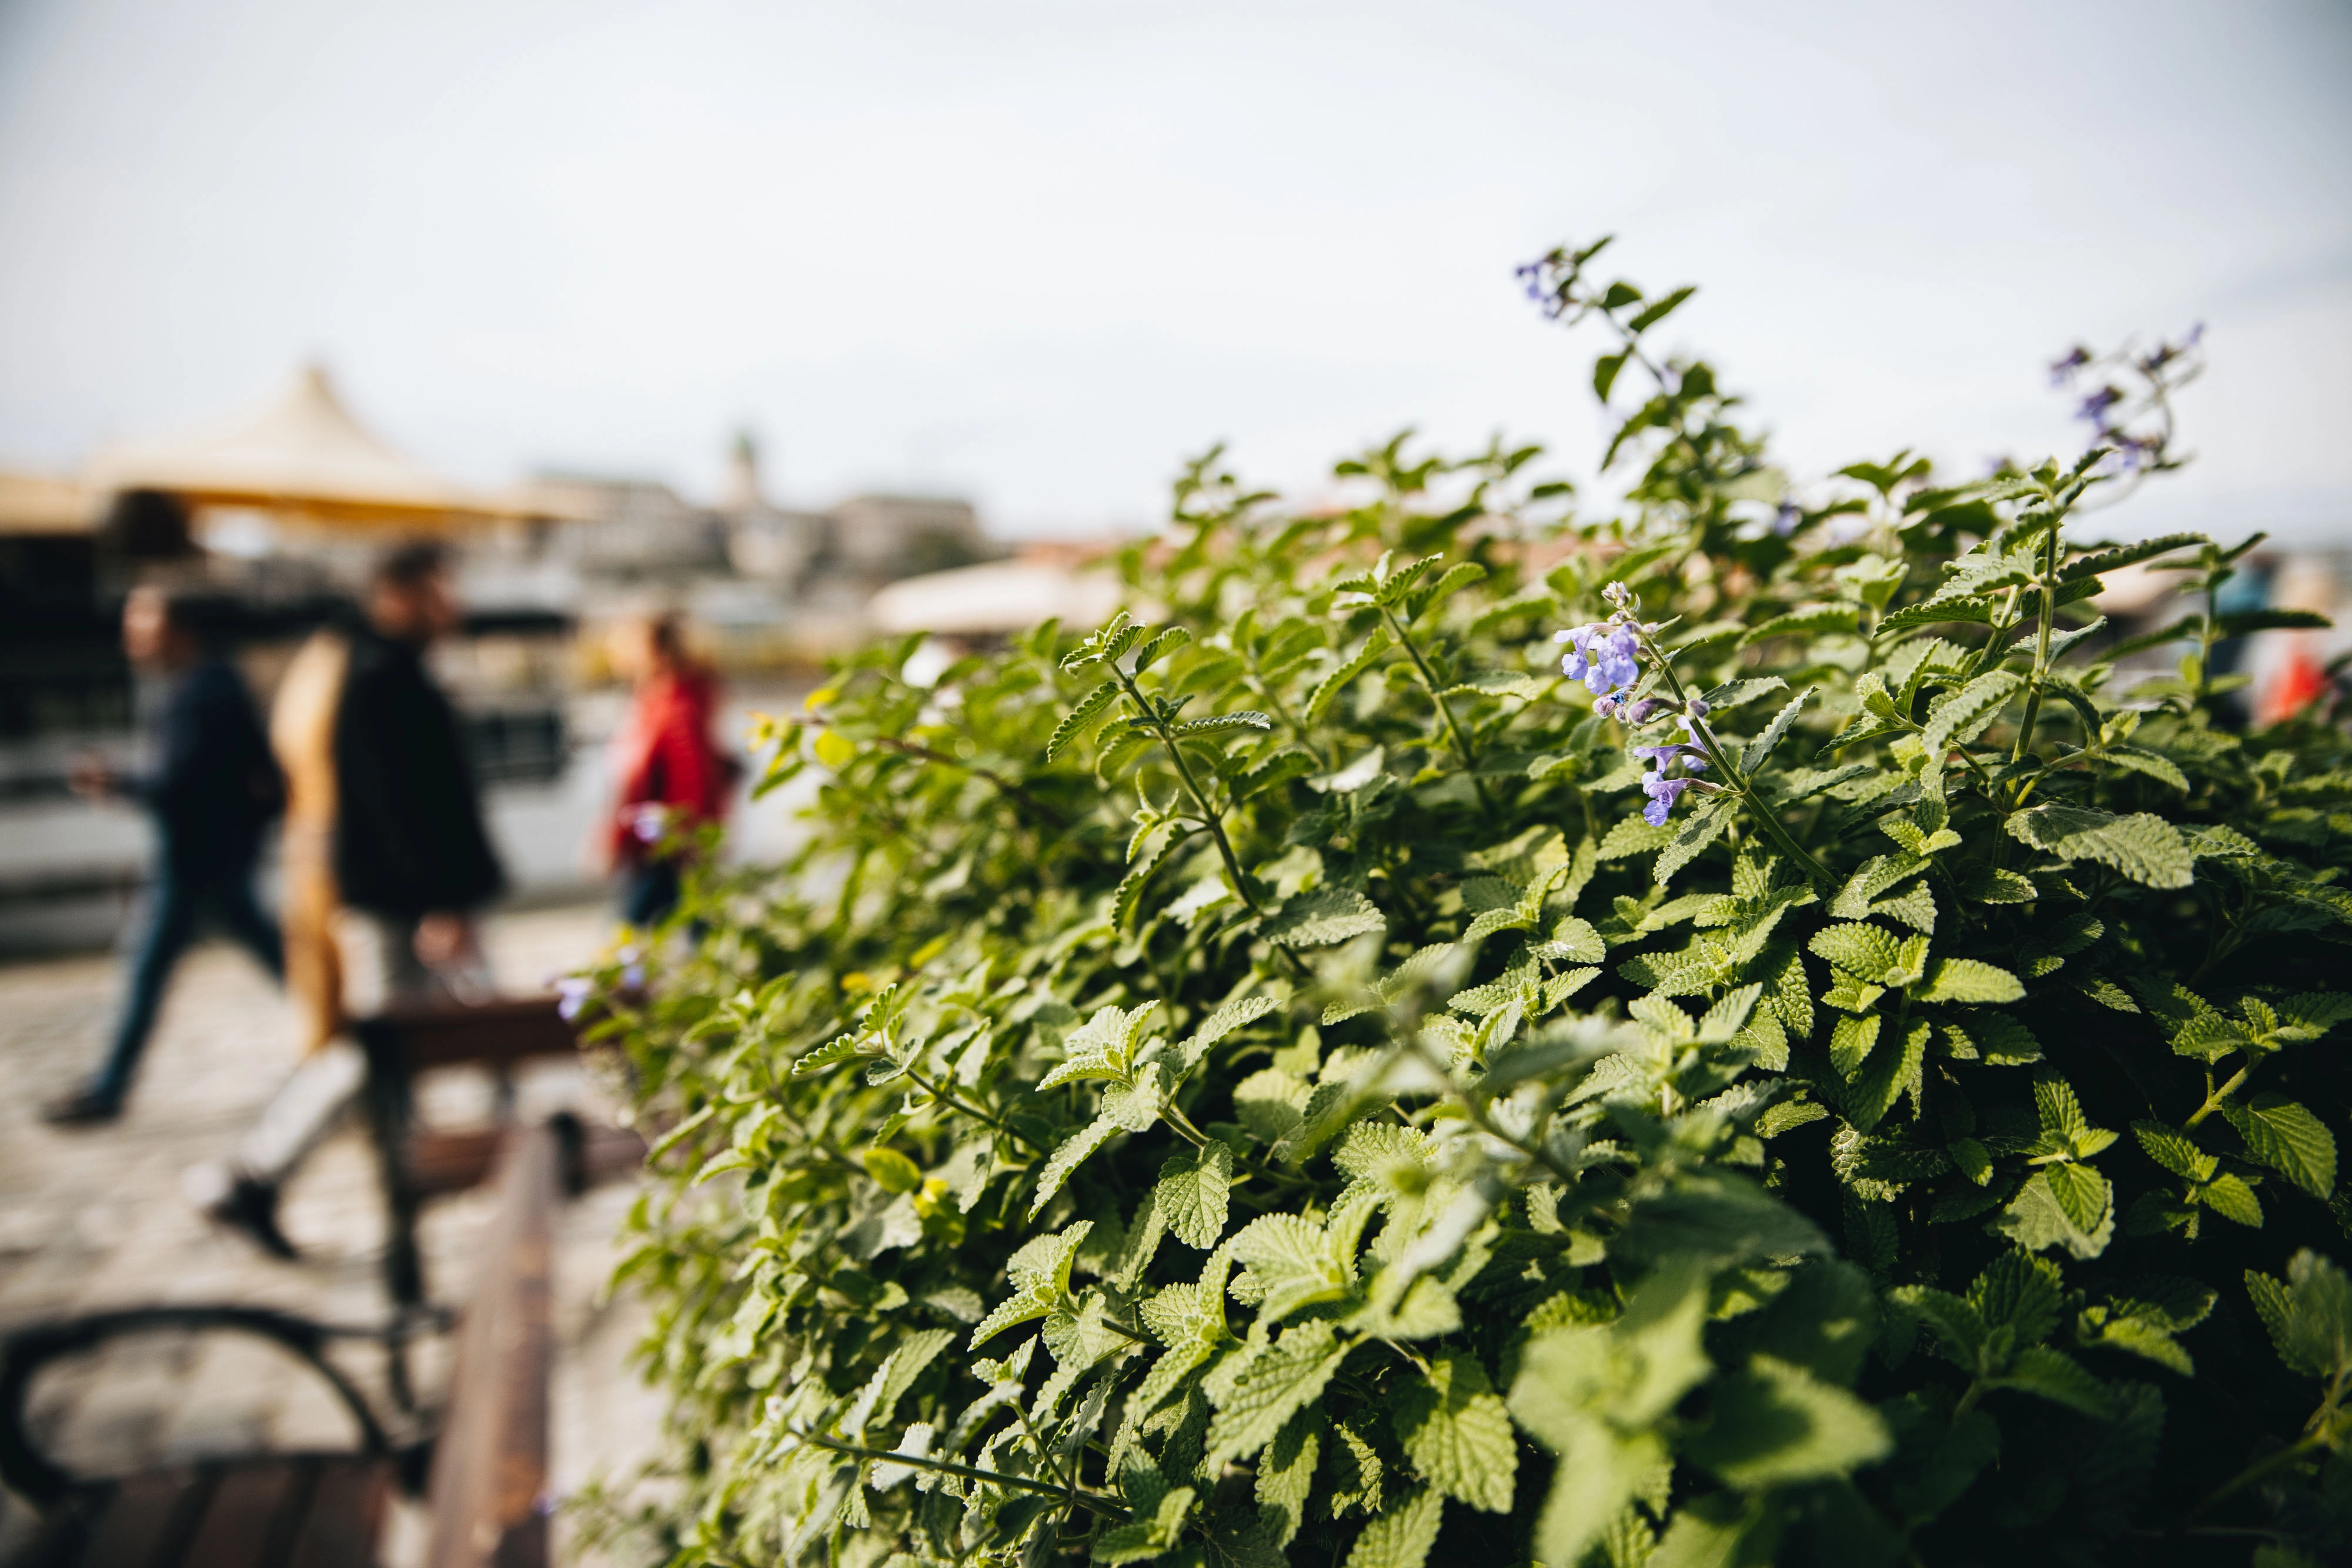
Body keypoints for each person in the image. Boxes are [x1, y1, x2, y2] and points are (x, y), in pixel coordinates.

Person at [189, 541, 506, 1258]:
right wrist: (442, 904)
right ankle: (255, 1174)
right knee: (383, 1048)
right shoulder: (375, 678)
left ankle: (453, 1178)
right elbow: (394, 805)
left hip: (413, 898)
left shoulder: (377, 670)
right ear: (397, 594)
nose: (452, 606)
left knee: (446, 1039)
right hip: (406, 903)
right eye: (439, 589)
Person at [44, 584, 284, 1125]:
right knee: (267, 961)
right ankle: (107, 1089)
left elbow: (182, 783)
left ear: (177, 631)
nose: (133, 641)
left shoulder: (203, 692)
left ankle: (107, 1092)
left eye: (142, 628)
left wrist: (115, 782)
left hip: (198, 862)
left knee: (151, 973)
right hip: (212, 859)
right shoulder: (206, 685)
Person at [603, 612, 732, 927]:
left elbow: (692, 776)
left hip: (669, 844)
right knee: (694, 928)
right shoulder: (657, 700)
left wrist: (686, 836)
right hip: (661, 840)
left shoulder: (676, 705)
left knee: (630, 935)